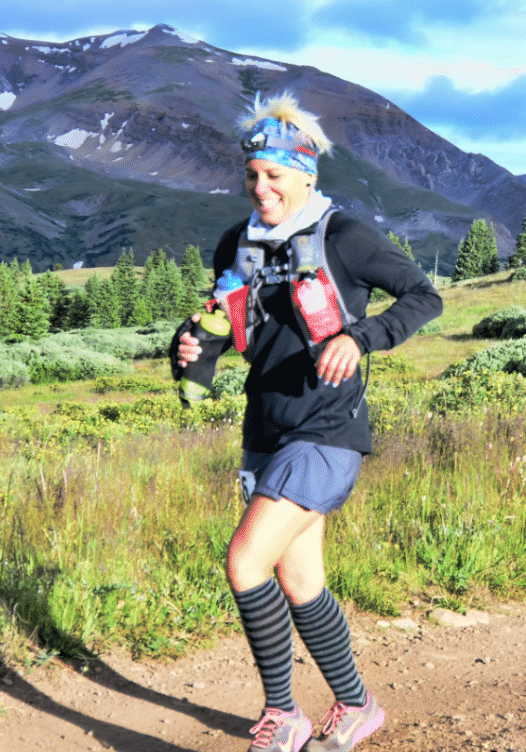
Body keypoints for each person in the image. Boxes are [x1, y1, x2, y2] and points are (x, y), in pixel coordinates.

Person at [175, 92, 442, 752]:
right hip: (265, 427)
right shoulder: (237, 244)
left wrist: (363, 337)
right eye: (251, 175)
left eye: (273, 175)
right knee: (300, 581)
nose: (259, 187)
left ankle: (283, 715)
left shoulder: (345, 237)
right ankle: (357, 706)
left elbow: (423, 297)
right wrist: (188, 351)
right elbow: (224, 324)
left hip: (327, 430)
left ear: (306, 175)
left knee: (244, 562)